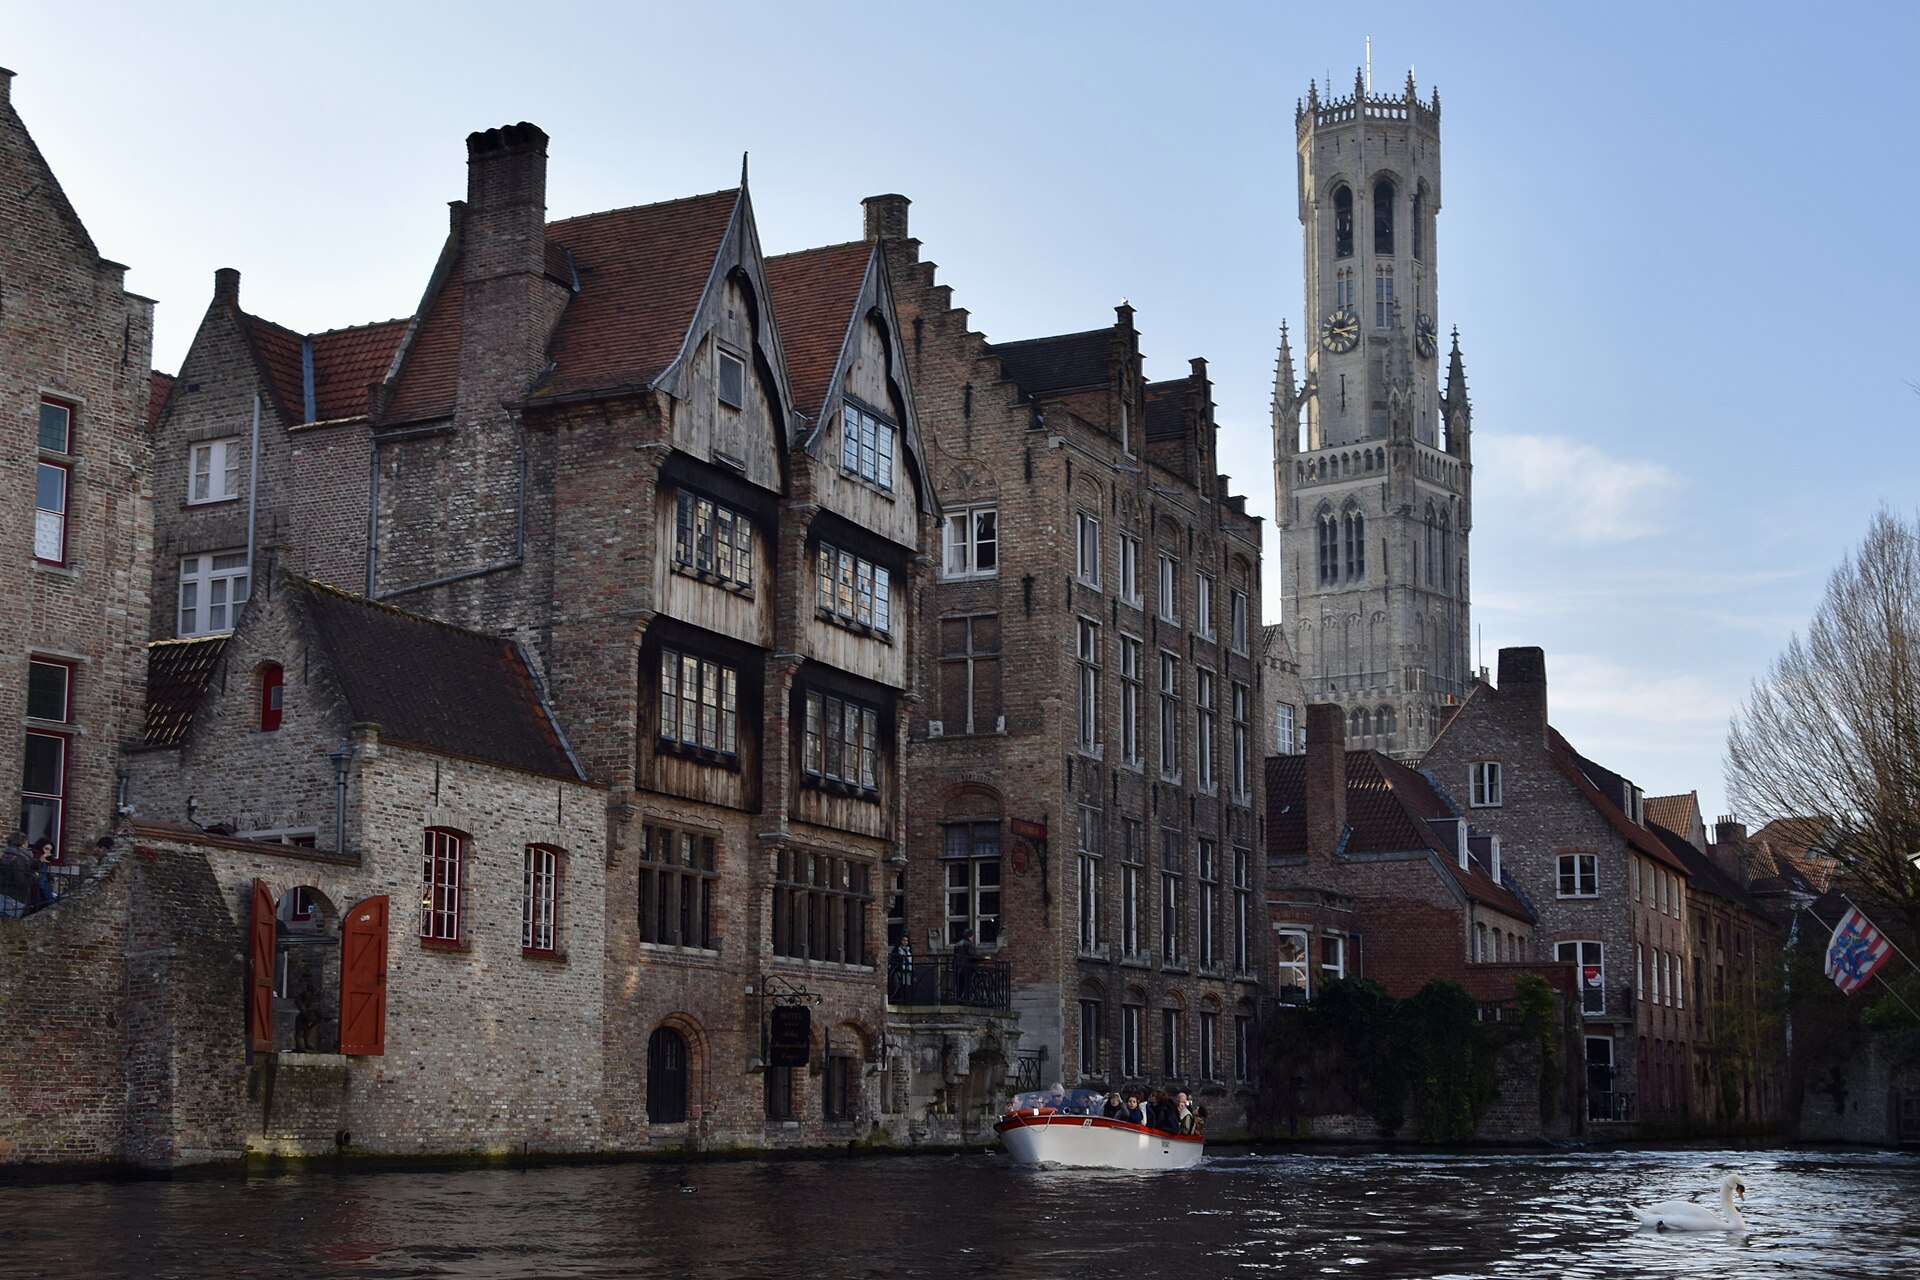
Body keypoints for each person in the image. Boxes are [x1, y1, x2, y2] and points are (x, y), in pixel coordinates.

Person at [0, 831, 32, 918]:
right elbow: (21, 881)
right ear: (22, 843)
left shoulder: (6, 856)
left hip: (3, 894)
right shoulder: (19, 859)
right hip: (15, 898)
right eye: (26, 842)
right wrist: (33, 877)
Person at [27, 837, 57, 909]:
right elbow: (42, 881)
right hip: (36, 893)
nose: (48, 852)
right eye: (46, 849)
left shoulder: (31, 855)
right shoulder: (41, 859)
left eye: (50, 850)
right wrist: (50, 898)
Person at [951, 928, 977, 1001]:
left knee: (959, 986)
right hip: (967, 968)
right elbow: (973, 956)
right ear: (971, 936)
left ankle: (959, 1000)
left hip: (958, 967)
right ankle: (966, 1000)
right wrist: (983, 958)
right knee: (967, 985)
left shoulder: (958, 944)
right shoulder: (969, 944)